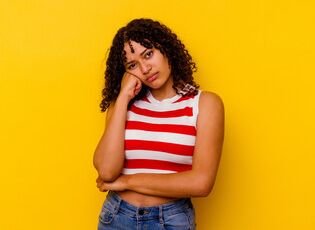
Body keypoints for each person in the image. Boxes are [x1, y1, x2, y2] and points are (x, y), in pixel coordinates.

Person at [93, 18, 224, 230]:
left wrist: (127, 182)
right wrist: (124, 97)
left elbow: (201, 183)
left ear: (166, 49)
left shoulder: (205, 104)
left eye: (148, 54)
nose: (145, 68)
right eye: (132, 65)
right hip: (116, 217)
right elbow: (107, 172)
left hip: (172, 221)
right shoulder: (121, 106)